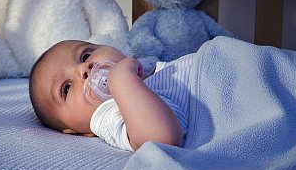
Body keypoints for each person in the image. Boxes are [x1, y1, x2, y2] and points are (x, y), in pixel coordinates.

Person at [29, 40, 194, 151]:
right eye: (66, 88)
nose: (83, 69)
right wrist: (122, 79)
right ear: (76, 131)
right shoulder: (108, 115)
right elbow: (163, 139)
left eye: (85, 56)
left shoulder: (149, 70)